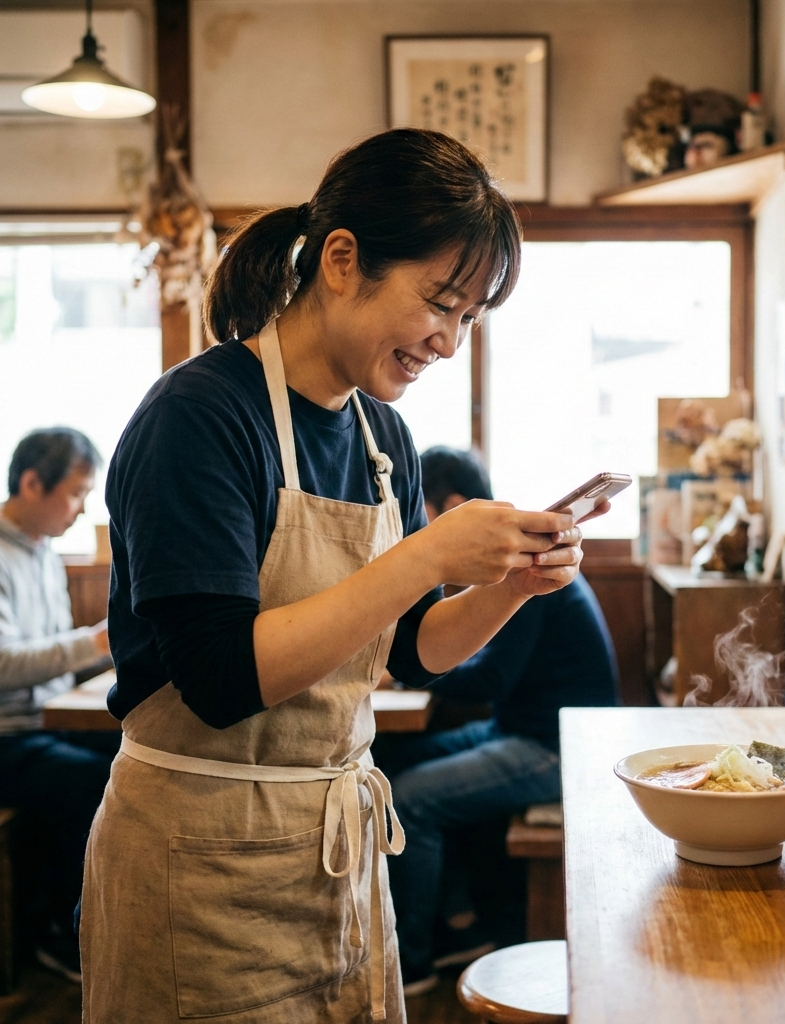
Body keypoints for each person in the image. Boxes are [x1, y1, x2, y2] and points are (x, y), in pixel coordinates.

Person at [80, 128, 608, 1024]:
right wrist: (428, 555)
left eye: (472, 317)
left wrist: (512, 586)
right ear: (341, 259)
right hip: (199, 863)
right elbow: (218, 679)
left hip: (337, 859)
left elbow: (412, 649)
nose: (450, 340)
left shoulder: (381, 438)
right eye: (440, 301)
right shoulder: (201, 415)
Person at [374, 447, 620, 994]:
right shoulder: (523, 570)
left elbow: (489, 681)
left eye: (426, 514)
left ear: (454, 506)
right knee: (394, 759)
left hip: (556, 749)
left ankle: (412, 960)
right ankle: (457, 919)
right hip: (522, 730)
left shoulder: (535, 580)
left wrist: (401, 672)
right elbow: (490, 672)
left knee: (409, 798)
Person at [0, 427, 114, 982]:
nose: (80, 510)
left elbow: (54, 656)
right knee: (92, 781)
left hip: (42, 725)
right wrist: (96, 642)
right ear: (29, 483)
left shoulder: (42, 553)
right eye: (75, 494)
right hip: (8, 736)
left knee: (131, 755)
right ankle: (59, 931)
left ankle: (108, 924)